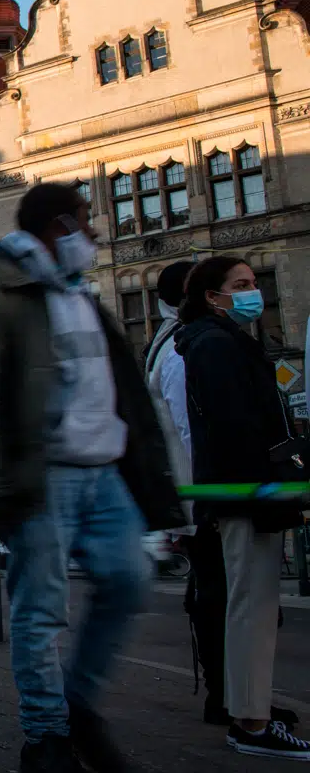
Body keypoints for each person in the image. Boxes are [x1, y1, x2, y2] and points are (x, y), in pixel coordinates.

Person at [0, 182, 183, 773]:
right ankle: (46, 737)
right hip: (41, 474)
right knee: (41, 608)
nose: (95, 233)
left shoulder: (84, 299)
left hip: (106, 472)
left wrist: (153, 484)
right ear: (58, 228)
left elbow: (127, 396)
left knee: (127, 582)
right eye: (85, 221)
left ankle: (76, 707)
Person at [177, 256, 310, 759]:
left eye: (255, 283)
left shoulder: (216, 342)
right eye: (241, 284)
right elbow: (235, 426)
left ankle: (247, 712)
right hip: (247, 492)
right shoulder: (216, 345)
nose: (253, 291)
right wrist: (266, 487)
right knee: (252, 607)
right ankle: (251, 722)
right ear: (214, 296)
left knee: (249, 605)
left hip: (241, 490)